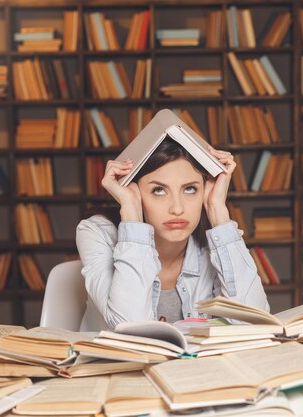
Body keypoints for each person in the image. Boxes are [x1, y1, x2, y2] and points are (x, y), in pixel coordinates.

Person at [76, 137, 269, 329]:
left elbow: (255, 323)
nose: (177, 208)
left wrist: (218, 210)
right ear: (132, 190)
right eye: (159, 190)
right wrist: (131, 213)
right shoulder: (96, 232)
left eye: (190, 189)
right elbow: (130, 328)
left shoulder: (213, 246)